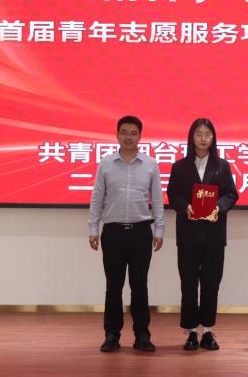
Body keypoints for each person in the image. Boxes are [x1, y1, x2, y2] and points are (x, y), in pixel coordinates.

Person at [88, 115, 165, 353]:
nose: (128, 137)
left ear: (140, 136)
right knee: (113, 286)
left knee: (140, 286)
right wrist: (93, 228)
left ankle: (142, 335)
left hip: (141, 232)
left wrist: (159, 230)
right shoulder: (106, 164)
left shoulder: (150, 164)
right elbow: (97, 198)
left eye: (133, 133)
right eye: (124, 132)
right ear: (117, 135)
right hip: (113, 233)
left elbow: (158, 200)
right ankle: (112, 334)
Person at [166, 118, 239, 351]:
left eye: (208, 134)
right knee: (188, 284)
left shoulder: (222, 166)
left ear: (213, 137)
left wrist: (219, 207)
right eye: (199, 133)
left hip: (213, 235)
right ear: (191, 137)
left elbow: (231, 195)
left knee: (211, 283)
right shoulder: (179, 166)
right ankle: (190, 332)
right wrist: (185, 206)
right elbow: (172, 195)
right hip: (188, 235)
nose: (203, 138)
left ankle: (207, 330)